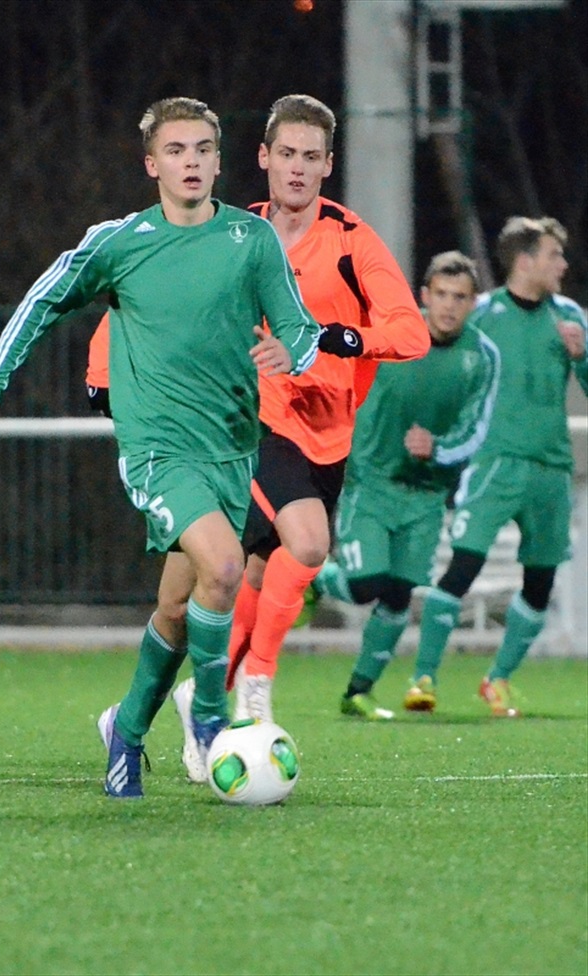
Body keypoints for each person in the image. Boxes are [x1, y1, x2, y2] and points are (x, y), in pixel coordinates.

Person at [0, 96, 323, 800]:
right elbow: (43, 299)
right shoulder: (119, 241)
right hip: (157, 448)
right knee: (223, 566)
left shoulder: (253, 240)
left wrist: (291, 351)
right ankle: (213, 722)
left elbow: (301, 329)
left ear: (220, 160)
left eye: (203, 150)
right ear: (153, 164)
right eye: (177, 151)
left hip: (230, 450)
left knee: (181, 613)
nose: (191, 162)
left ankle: (125, 727)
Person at [168, 93, 430, 781]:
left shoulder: (350, 241)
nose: (297, 168)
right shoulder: (230, 232)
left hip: (330, 434)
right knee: (310, 543)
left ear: (328, 166)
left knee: (258, 573)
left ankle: (203, 696)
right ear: (262, 158)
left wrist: (337, 340)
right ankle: (255, 683)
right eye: (286, 154)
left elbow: (411, 332)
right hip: (247, 421)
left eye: (311, 157)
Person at [407, 216, 587, 717]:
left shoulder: (570, 317)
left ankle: (498, 680)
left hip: (551, 468)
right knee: (463, 565)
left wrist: (583, 356)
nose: (563, 264)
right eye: (554, 255)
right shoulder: (483, 314)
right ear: (526, 261)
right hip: (494, 463)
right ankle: (424, 676)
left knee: (541, 582)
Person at [312, 251, 500, 719]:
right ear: (424, 296)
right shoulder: (390, 334)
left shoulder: (482, 357)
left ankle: (357, 691)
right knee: (365, 585)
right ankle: (311, 579)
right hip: (370, 482)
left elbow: (477, 430)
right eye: (441, 295)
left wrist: (436, 448)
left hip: (426, 495)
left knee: (398, 596)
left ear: (474, 302)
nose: (449, 306)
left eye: (460, 297)